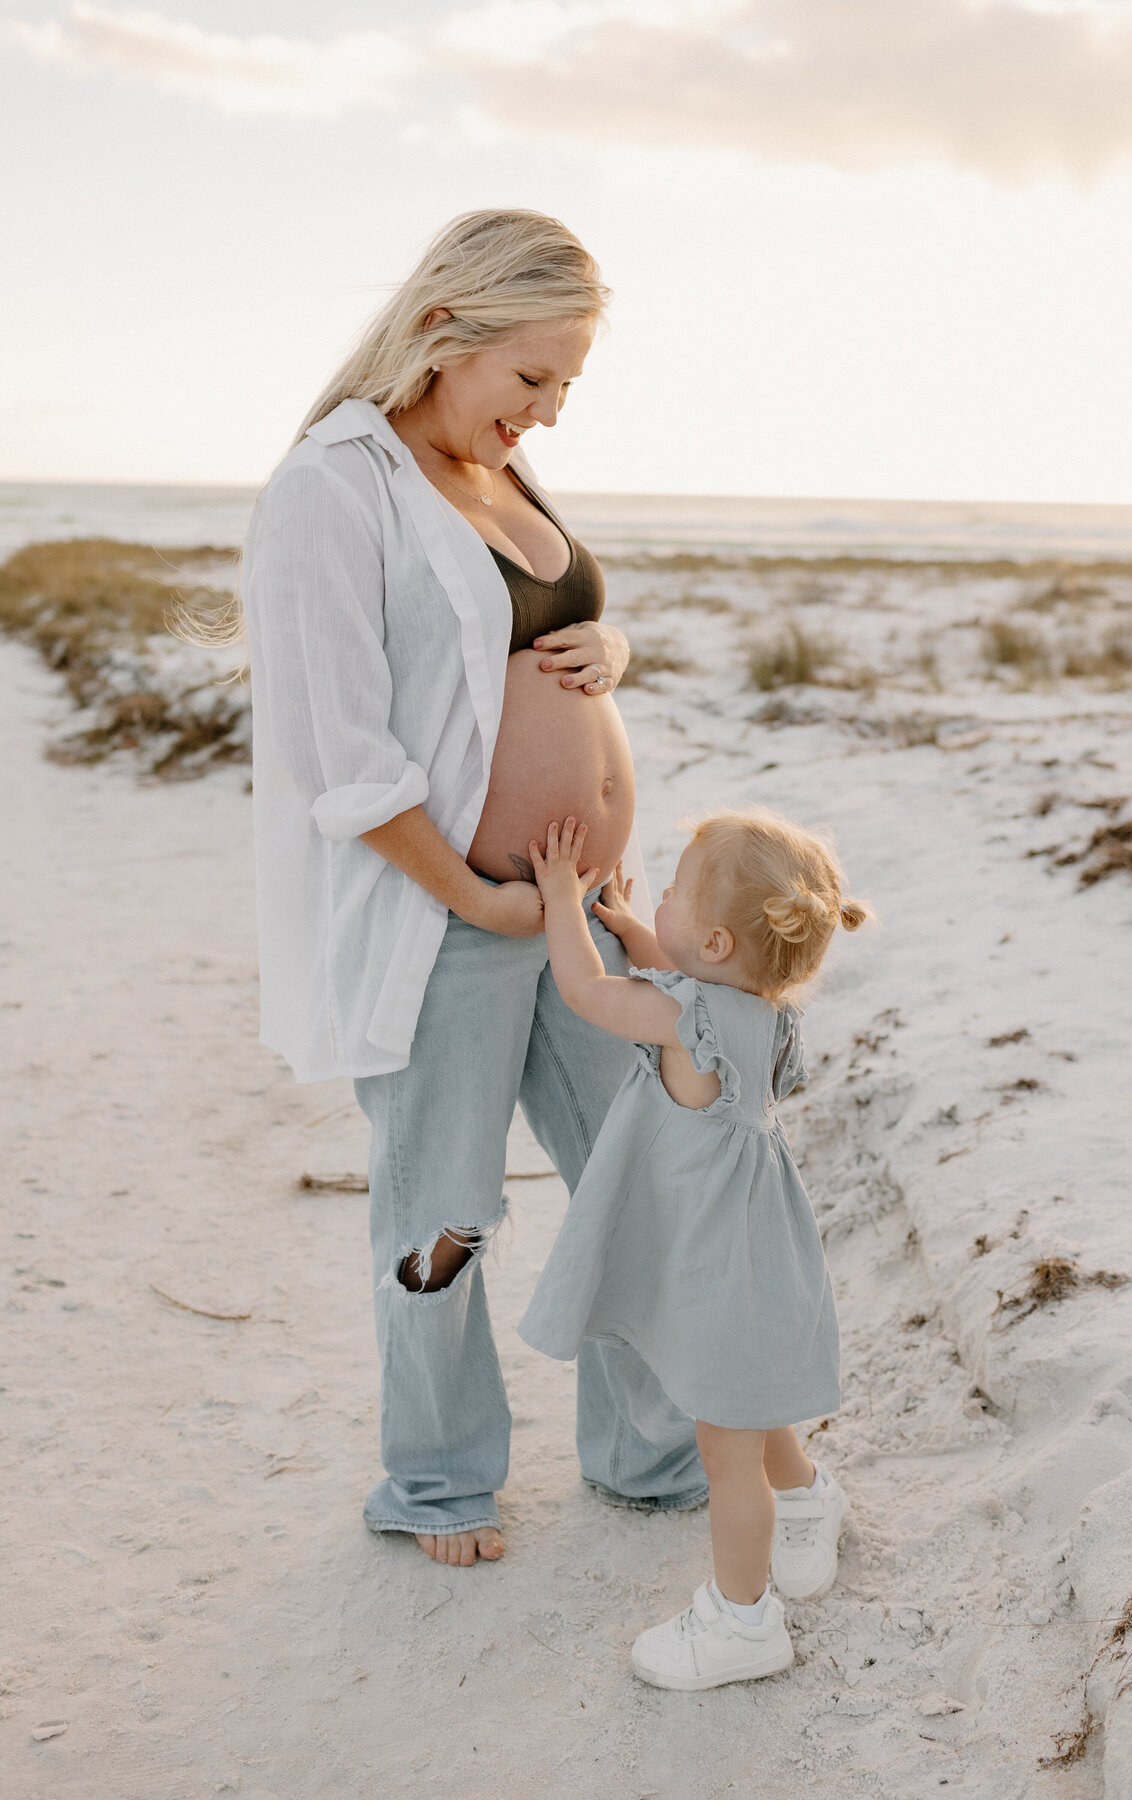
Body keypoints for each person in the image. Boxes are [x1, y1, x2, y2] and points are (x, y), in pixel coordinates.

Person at [240, 209, 707, 1570]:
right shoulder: (334, 488)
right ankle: (437, 1482)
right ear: (444, 332)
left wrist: (605, 648)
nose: (548, 413)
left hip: (573, 915)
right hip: (449, 925)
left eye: (568, 386)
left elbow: (530, 629)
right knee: (443, 1212)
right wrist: (477, 896)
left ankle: (649, 1452)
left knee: (636, 1169)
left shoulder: (498, 475)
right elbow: (343, 753)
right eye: (532, 379)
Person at [519, 807, 870, 1689]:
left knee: (724, 1454)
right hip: (756, 1249)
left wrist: (563, 899)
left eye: (672, 888)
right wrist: (642, 925)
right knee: (748, 1402)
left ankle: (742, 1624)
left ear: (715, 941)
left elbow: (586, 992)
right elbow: (686, 979)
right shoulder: (762, 1009)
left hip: (717, 1258)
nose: (660, 891)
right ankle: (807, 1496)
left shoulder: (681, 1019)